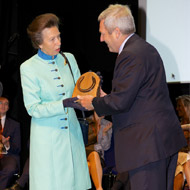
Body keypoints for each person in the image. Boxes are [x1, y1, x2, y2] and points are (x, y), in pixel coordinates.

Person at [77, 4, 187, 190]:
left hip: (147, 148)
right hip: (159, 144)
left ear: (117, 32)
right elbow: (136, 97)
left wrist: (93, 103)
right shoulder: (144, 48)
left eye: (104, 33)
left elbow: (121, 102)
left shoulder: (129, 55)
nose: (102, 39)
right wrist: (107, 97)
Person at [19, 13, 91, 190]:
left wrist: (92, 85)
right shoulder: (28, 68)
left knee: (75, 185)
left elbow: (79, 92)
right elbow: (33, 108)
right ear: (39, 43)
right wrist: (63, 104)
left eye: (59, 36)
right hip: (47, 140)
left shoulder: (69, 58)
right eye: (52, 39)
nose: (58, 42)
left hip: (72, 136)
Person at [86, 111, 112, 190]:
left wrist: (104, 133)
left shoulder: (107, 124)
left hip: (98, 155)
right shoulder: (86, 122)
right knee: (88, 165)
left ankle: (99, 188)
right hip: (84, 153)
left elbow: (106, 147)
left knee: (94, 156)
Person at [0, 96, 21, 190]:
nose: (3, 105)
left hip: (8, 155)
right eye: (0, 103)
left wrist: (7, 144)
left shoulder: (15, 125)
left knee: (10, 169)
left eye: (6, 103)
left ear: (8, 107)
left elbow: (18, 148)